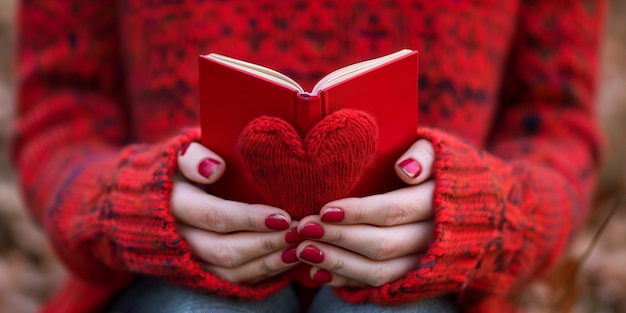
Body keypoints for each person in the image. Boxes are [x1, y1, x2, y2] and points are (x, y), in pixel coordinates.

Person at [11, 0, 606, 312]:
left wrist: (489, 212)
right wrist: (125, 203)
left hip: (440, 288)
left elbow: (553, 122)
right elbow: (63, 111)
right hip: (159, 278)